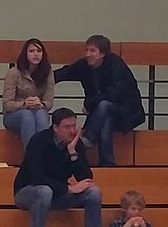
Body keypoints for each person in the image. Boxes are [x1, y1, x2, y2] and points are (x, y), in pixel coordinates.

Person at [12, 108, 103, 227]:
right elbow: (37, 178)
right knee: (44, 191)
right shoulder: (39, 141)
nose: (72, 131)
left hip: (58, 194)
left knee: (93, 192)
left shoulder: (76, 144)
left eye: (74, 126)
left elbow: (86, 177)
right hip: (28, 192)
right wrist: (68, 188)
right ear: (55, 128)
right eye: (67, 127)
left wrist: (73, 153)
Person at [54, 35, 146, 166]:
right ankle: (107, 164)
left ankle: (89, 138)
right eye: (86, 50)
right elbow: (65, 73)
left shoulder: (117, 66)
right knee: (105, 121)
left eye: (92, 51)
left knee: (104, 105)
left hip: (126, 113)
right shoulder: (84, 65)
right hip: (104, 114)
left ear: (102, 53)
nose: (88, 54)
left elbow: (114, 94)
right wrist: (42, 78)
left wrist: (88, 104)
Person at [3, 38, 55, 147]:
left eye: (39, 51)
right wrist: (24, 104)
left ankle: (43, 154)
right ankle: (31, 155)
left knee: (41, 114)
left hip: (37, 111)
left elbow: (49, 102)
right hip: (14, 115)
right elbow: (7, 104)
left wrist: (41, 103)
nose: (36, 54)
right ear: (25, 54)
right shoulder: (14, 72)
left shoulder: (48, 72)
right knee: (27, 115)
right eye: (31, 51)